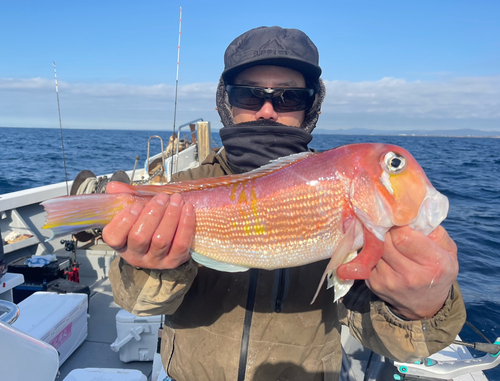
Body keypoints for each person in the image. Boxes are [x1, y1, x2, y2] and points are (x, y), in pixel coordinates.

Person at [105, 26, 466, 381]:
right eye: (248, 95)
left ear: (312, 108)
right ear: (225, 103)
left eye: (288, 98)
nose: (266, 110)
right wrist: (150, 266)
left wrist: (420, 306)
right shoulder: (183, 188)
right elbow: (137, 304)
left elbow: (395, 343)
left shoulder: (349, 206)